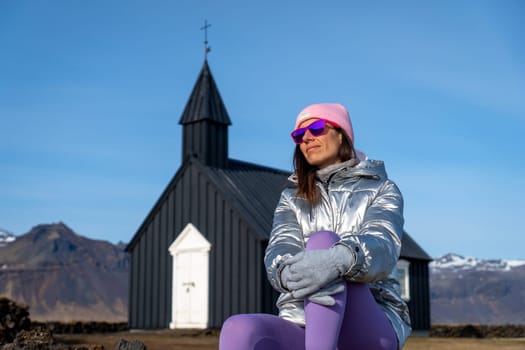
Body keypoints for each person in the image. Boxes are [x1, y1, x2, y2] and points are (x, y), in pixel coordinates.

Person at [219, 103, 411, 350]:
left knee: (323, 241)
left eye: (317, 128)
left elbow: (383, 244)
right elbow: (279, 248)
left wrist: (337, 260)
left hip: (369, 321)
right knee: (239, 329)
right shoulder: (291, 198)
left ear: (342, 134)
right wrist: (285, 272)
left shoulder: (381, 189)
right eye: (299, 135)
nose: (306, 138)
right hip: (302, 319)